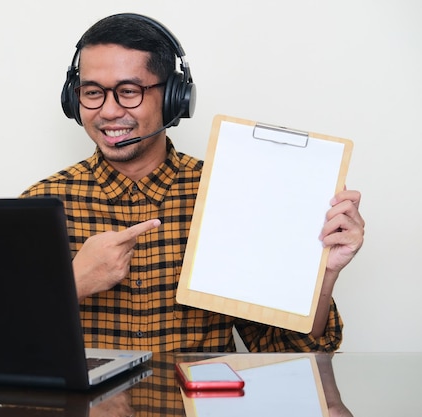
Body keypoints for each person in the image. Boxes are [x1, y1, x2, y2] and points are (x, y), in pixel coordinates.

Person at [21, 13, 364, 353]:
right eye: (92, 92)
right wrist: (74, 284)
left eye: (128, 91)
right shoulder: (38, 207)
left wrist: (323, 275)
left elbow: (288, 353)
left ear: (174, 98)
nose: (109, 111)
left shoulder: (233, 193)